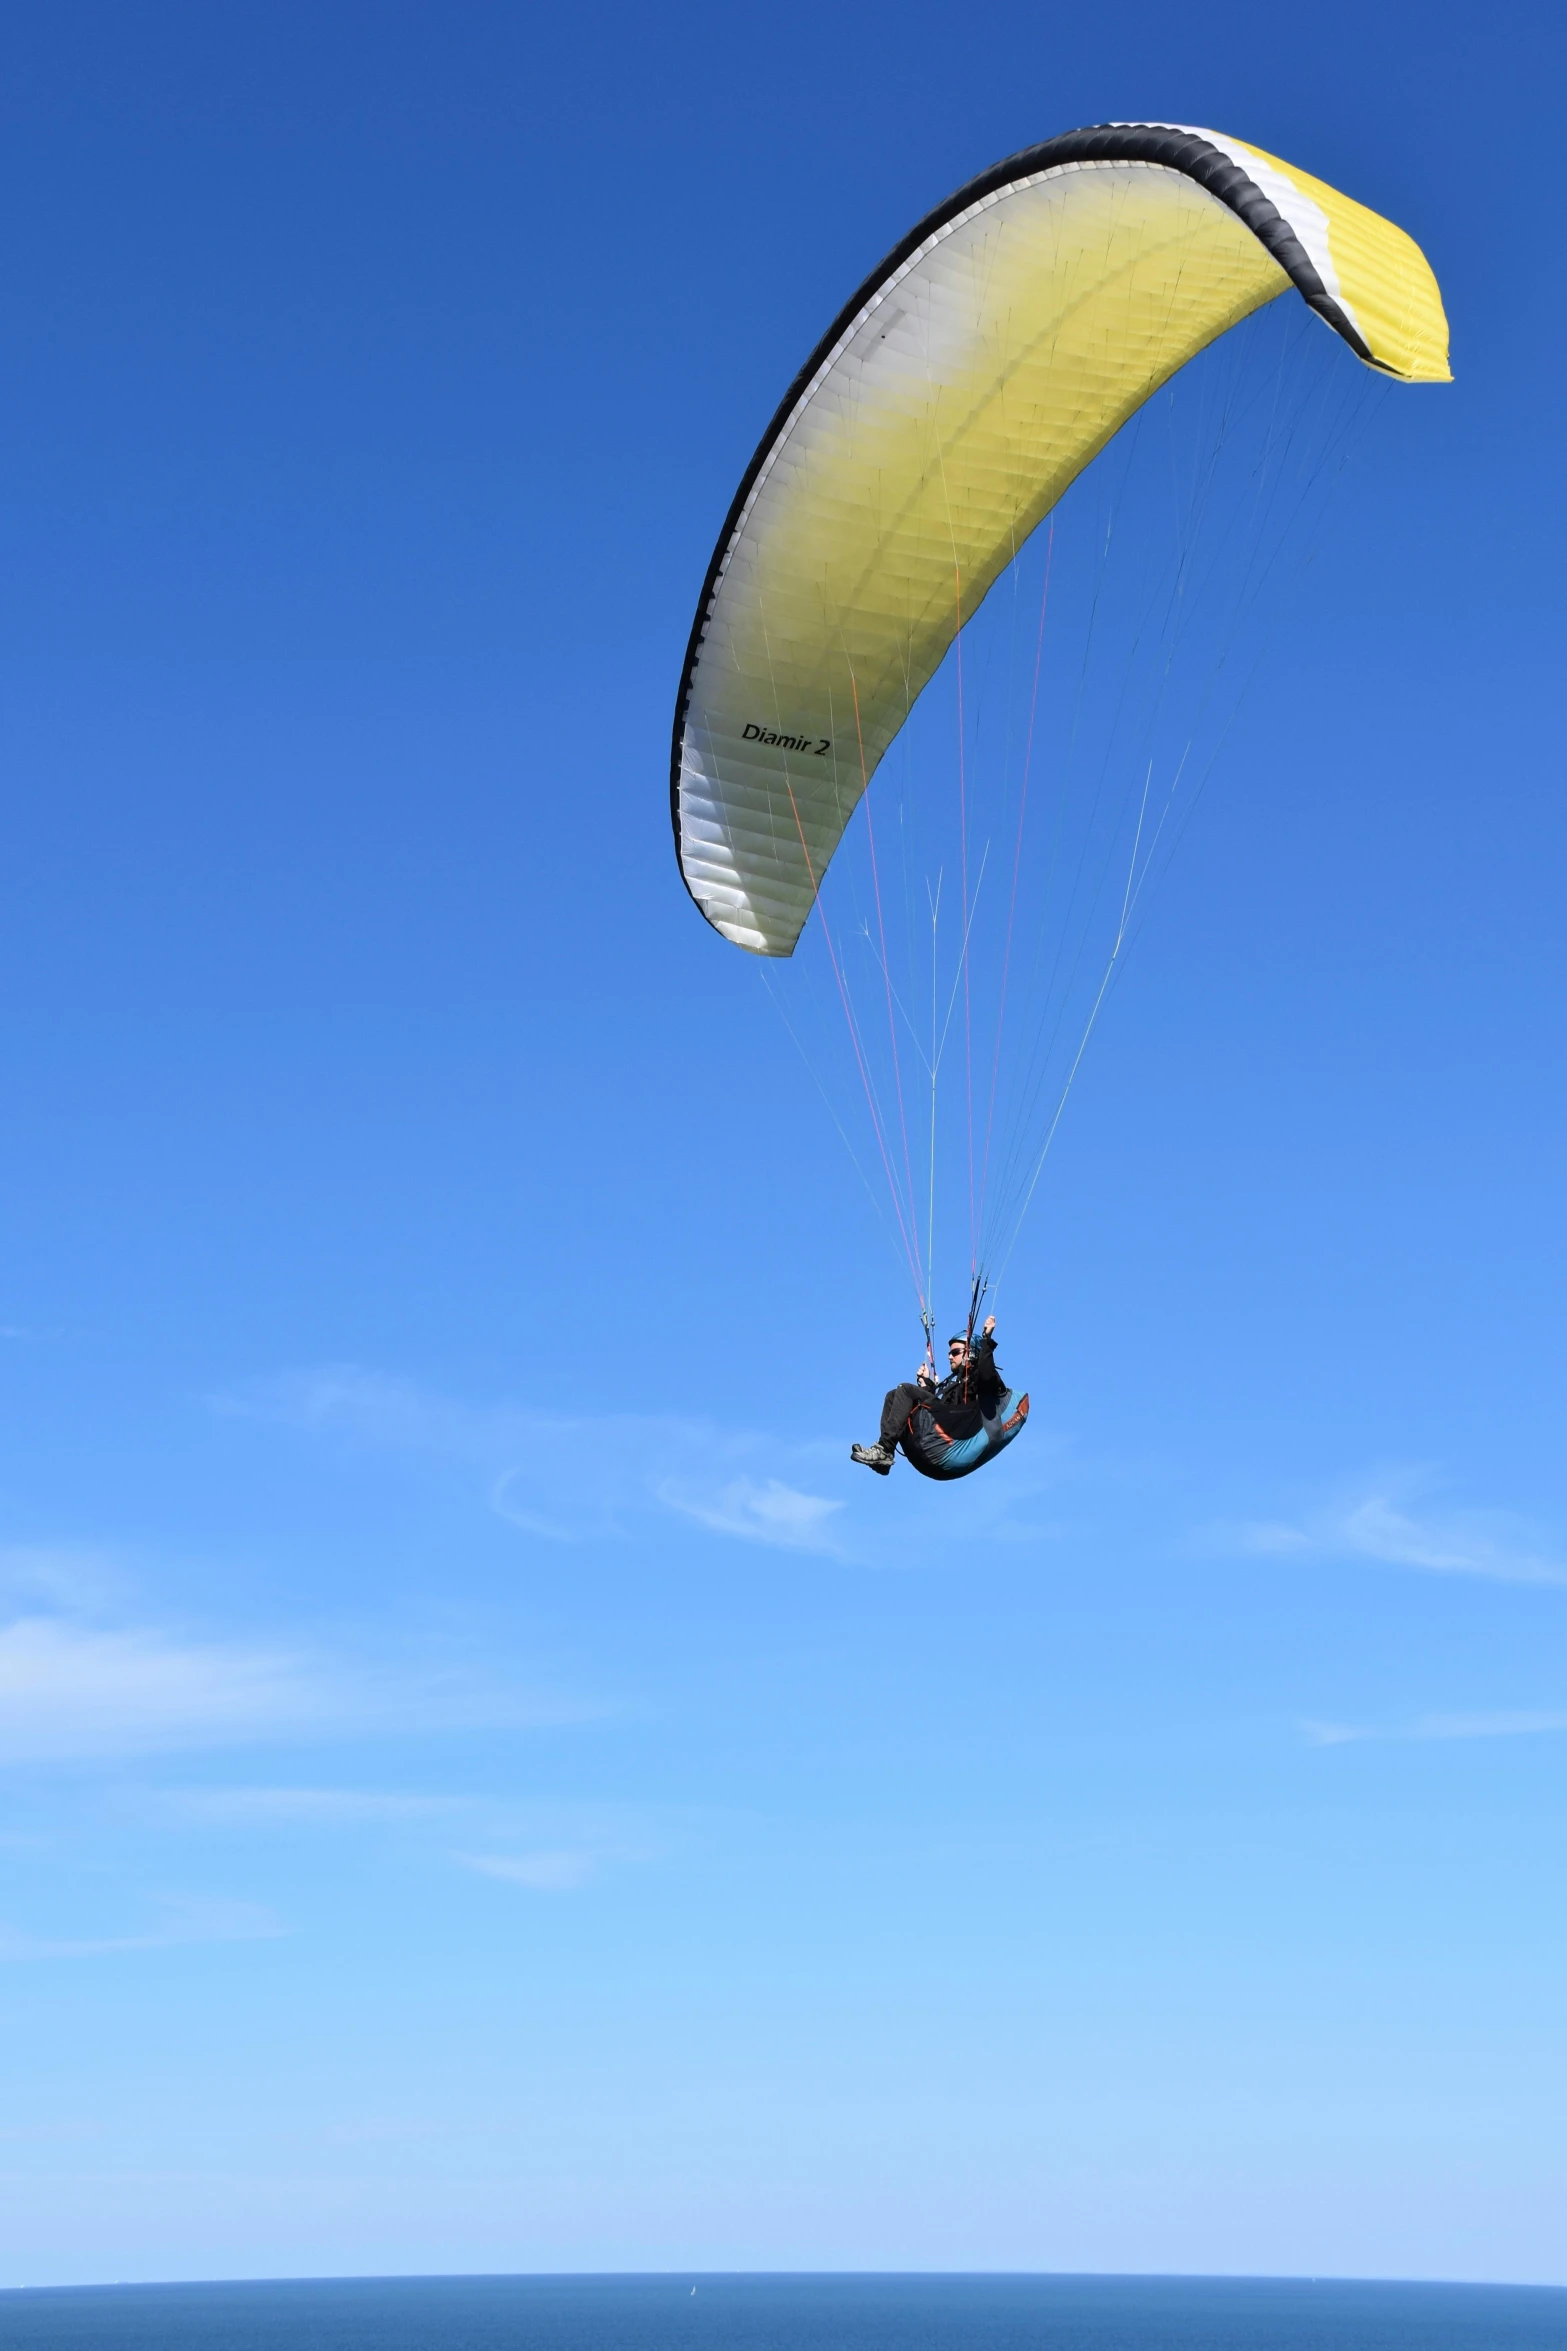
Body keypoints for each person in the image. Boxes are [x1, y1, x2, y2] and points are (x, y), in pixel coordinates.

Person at [852, 1316, 1001, 1474]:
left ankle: (884, 1449)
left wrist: (987, 1340)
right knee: (892, 1395)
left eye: (955, 1352)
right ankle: (884, 1458)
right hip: (946, 1421)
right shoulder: (956, 1383)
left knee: (905, 1389)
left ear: (970, 1353)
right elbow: (939, 1409)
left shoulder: (978, 1377)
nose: (950, 1356)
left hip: (958, 1428)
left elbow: (987, 1374)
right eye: (950, 1353)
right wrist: (927, 1384)